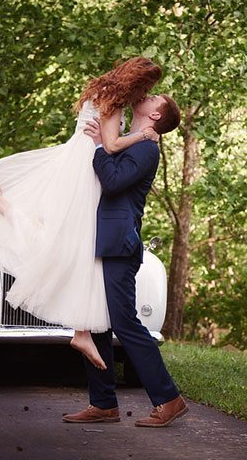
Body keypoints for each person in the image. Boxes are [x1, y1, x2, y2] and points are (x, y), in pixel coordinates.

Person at [0, 57, 163, 371]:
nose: (144, 94)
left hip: (75, 163)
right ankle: (80, 331)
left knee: (66, 243)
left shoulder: (104, 90)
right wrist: (144, 136)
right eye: (146, 87)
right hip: (84, 174)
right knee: (76, 248)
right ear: (134, 81)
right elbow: (112, 145)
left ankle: (1, 203)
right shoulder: (114, 100)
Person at [62, 93, 189, 428]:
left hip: (120, 244)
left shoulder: (147, 148)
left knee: (125, 324)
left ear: (157, 114)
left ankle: (169, 399)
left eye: (151, 98)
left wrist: (100, 147)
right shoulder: (129, 142)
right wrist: (104, 142)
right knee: (98, 318)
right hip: (104, 240)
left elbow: (113, 182)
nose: (143, 97)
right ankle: (103, 404)